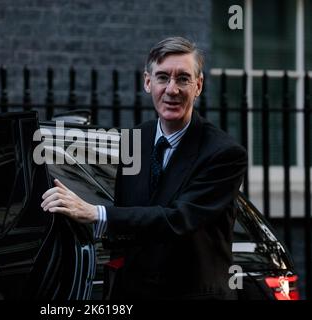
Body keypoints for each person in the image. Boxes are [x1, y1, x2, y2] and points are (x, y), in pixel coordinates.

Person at [41, 36, 248, 300]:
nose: (172, 89)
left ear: (198, 85)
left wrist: (95, 212)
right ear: (148, 82)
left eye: (183, 78)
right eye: (162, 77)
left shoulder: (224, 153)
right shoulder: (134, 140)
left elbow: (177, 220)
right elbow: (128, 220)